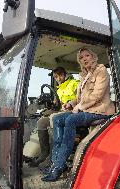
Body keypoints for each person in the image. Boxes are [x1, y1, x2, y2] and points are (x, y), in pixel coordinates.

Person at [41, 48, 115, 182]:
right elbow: (79, 98)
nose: (84, 59)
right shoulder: (83, 75)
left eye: (87, 55)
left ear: (93, 56)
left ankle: (59, 166)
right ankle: (55, 162)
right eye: (81, 58)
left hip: (99, 110)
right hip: (86, 109)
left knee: (70, 120)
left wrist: (80, 106)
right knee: (57, 119)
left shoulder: (101, 70)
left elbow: (97, 96)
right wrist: (70, 103)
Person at [28, 67, 79, 167]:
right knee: (41, 121)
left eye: (60, 75)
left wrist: (70, 104)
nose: (58, 78)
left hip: (74, 111)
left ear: (65, 74)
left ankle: (57, 157)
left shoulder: (74, 83)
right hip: (62, 110)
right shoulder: (59, 89)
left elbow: (81, 97)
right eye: (56, 77)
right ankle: (44, 153)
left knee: (53, 118)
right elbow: (58, 104)